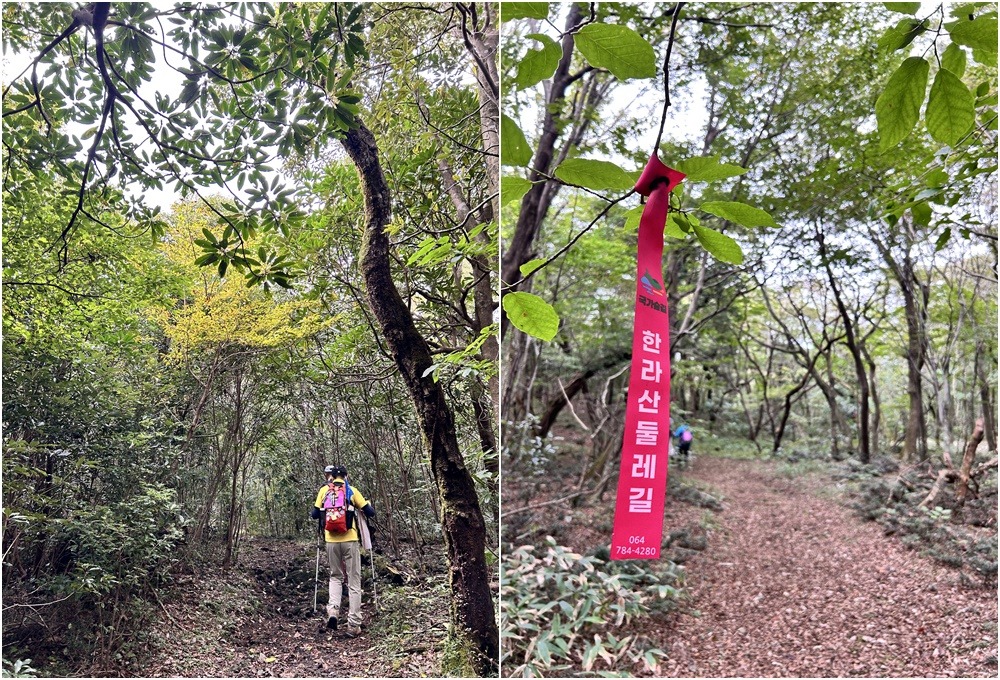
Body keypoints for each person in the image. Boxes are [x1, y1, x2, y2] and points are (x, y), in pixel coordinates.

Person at [310, 464, 376, 636]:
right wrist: (363, 504)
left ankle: (333, 611)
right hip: (350, 539)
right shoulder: (351, 490)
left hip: (331, 540)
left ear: (332, 476)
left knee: (335, 576)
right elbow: (370, 512)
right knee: (354, 581)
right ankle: (353, 624)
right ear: (346, 476)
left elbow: (315, 514)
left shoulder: (324, 491)